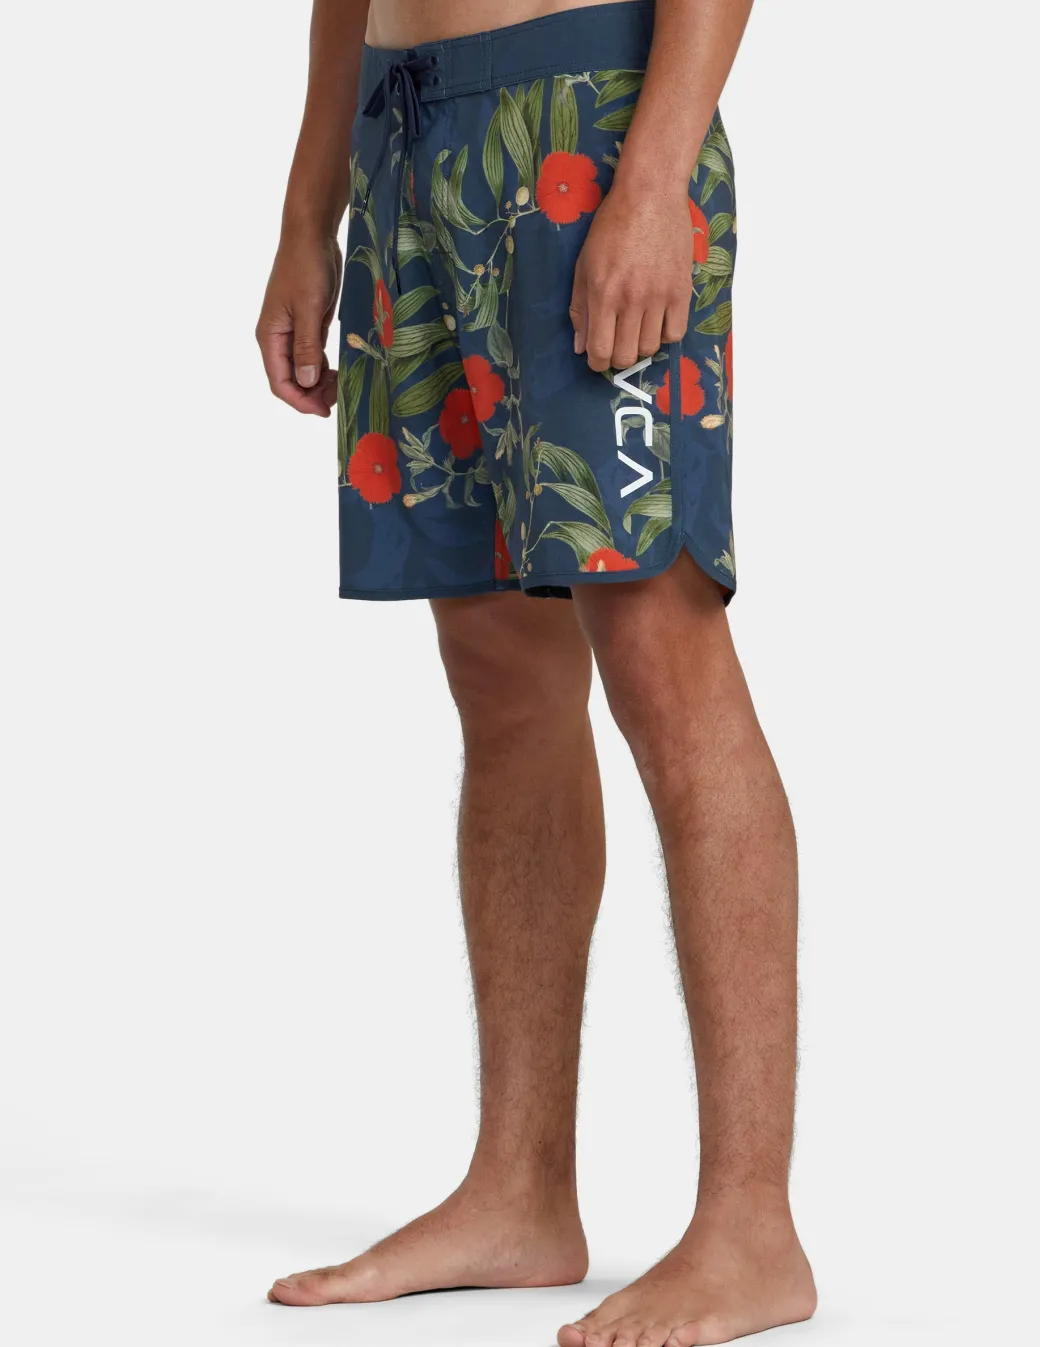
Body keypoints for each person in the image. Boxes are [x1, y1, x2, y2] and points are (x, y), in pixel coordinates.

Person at [255, 1, 815, 1343]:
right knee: (498, 671)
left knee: (661, 649)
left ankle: (752, 1227)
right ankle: (519, 1187)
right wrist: (308, 208)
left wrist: (658, 171)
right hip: (406, 133)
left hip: (589, 115)